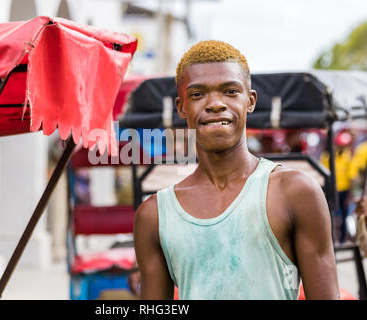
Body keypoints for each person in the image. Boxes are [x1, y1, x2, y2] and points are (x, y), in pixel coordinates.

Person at [133, 40, 340, 300]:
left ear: (250, 101)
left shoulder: (295, 192)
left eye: (230, 91)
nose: (216, 104)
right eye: (197, 94)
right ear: (182, 107)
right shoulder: (154, 215)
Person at [320, 130, 354, 243]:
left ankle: (342, 239)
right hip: (331, 190)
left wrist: (350, 195)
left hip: (344, 190)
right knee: (331, 215)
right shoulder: (326, 157)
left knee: (343, 216)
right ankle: (332, 239)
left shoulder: (347, 156)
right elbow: (322, 176)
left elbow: (351, 177)